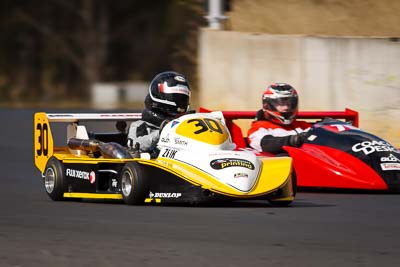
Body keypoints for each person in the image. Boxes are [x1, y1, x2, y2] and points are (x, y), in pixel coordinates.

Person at [127, 71, 191, 153]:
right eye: (176, 96)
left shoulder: (185, 122)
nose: (180, 100)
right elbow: (134, 145)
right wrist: (163, 132)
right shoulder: (139, 125)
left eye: (183, 97)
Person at [247, 82, 311, 154]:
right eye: (281, 103)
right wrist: (293, 140)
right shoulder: (258, 128)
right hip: (279, 163)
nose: (286, 108)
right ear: (267, 105)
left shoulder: (304, 126)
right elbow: (265, 144)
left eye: (289, 104)